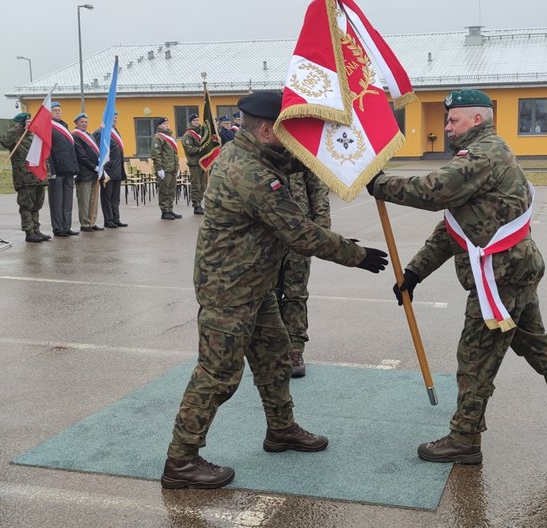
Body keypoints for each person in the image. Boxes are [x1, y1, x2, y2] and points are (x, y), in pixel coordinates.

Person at [161, 91, 388, 490]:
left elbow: (297, 163)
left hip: (253, 283)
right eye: (289, 131)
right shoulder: (249, 172)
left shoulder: (258, 155)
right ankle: (181, 461)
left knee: (274, 357)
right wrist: (356, 255)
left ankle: (281, 430)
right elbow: (298, 233)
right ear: (267, 130)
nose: (295, 139)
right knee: (217, 375)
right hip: (229, 290)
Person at [366, 89, 547, 465]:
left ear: (477, 120)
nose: (447, 127)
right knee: (535, 344)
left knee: (476, 356)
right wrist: (415, 272)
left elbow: (435, 191)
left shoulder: (484, 154)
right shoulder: (483, 153)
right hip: (513, 272)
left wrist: (379, 183)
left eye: (453, 120)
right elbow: (454, 228)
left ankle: (464, 438)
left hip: (499, 278)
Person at [277, 158, 330, 378]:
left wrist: (323, 230)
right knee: (266, 295)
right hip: (265, 233)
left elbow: (317, 187)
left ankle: (295, 350)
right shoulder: (256, 147)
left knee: (295, 293)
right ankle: (271, 350)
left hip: (300, 230)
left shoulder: (300, 148)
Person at [0, 112, 50, 243]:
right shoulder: (16, 138)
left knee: (37, 205)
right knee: (26, 205)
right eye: (27, 122)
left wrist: (47, 174)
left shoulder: (35, 137)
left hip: (38, 177)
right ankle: (29, 231)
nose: (30, 124)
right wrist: (20, 127)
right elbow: (4, 140)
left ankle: (36, 229)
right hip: (24, 178)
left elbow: (44, 157)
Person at [47, 102, 78, 237]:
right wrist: (51, 171)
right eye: (55, 110)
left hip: (69, 170)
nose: (58, 112)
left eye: (59, 110)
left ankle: (66, 226)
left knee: (67, 202)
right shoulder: (49, 127)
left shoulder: (65, 127)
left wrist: (75, 169)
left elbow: (72, 150)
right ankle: (58, 228)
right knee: (57, 202)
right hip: (57, 171)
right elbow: (48, 151)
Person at [71, 112, 106, 232]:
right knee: (84, 200)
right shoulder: (75, 136)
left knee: (93, 199)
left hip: (93, 173)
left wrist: (99, 164)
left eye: (86, 122)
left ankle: (92, 221)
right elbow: (81, 155)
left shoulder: (89, 135)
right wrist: (93, 166)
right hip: (84, 172)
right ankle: (85, 223)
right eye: (82, 122)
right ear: (76, 123)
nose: (84, 124)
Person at [94, 112, 127, 229]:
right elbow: (98, 152)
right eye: (112, 117)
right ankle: (108, 220)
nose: (115, 120)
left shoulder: (115, 131)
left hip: (117, 169)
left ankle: (116, 218)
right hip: (107, 170)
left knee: (115, 197)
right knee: (107, 197)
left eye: (116, 118)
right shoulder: (100, 132)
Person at [151, 117, 181, 220]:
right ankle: (164, 211)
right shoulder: (158, 137)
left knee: (171, 190)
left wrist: (177, 167)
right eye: (164, 124)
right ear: (159, 125)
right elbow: (156, 154)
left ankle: (170, 209)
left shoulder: (170, 137)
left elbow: (174, 154)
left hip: (172, 167)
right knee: (164, 190)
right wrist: (159, 168)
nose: (167, 125)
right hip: (164, 168)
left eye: (167, 123)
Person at [180, 113, 207, 215]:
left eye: (197, 120)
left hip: (202, 162)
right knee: (196, 185)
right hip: (194, 163)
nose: (197, 122)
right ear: (191, 122)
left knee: (203, 185)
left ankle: (200, 202)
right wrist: (201, 149)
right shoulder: (188, 134)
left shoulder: (201, 132)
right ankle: (196, 205)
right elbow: (189, 148)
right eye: (194, 120)